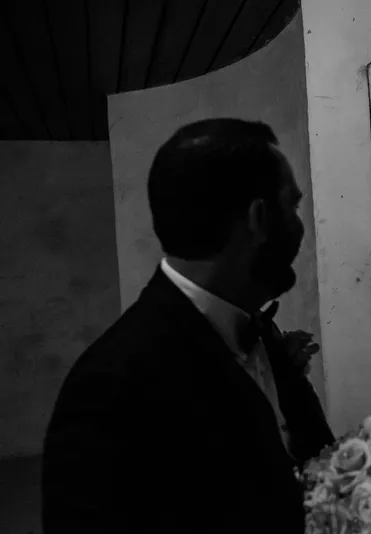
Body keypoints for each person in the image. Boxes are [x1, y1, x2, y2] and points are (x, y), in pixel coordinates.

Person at [42, 119, 333, 533]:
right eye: (293, 206)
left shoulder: (260, 332)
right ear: (259, 217)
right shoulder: (108, 388)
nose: (301, 226)